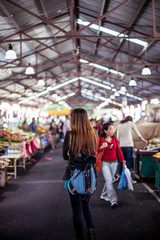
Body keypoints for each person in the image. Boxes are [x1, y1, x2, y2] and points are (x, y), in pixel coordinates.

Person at [63, 108, 98, 240]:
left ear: (73, 119)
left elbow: (65, 157)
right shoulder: (93, 134)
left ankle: (80, 237)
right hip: (89, 175)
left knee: (76, 209)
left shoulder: (69, 135)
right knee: (86, 205)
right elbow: (93, 153)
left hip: (74, 175)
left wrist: (71, 154)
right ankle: (92, 232)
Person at [97, 122, 126, 208]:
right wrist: (102, 147)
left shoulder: (115, 139)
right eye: (110, 129)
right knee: (109, 180)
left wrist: (123, 160)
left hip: (114, 163)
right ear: (105, 131)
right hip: (105, 163)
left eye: (113, 129)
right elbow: (96, 149)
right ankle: (113, 200)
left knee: (109, 180)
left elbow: (119, 150)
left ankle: (103, 194)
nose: (112, 130)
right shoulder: (100, 139)